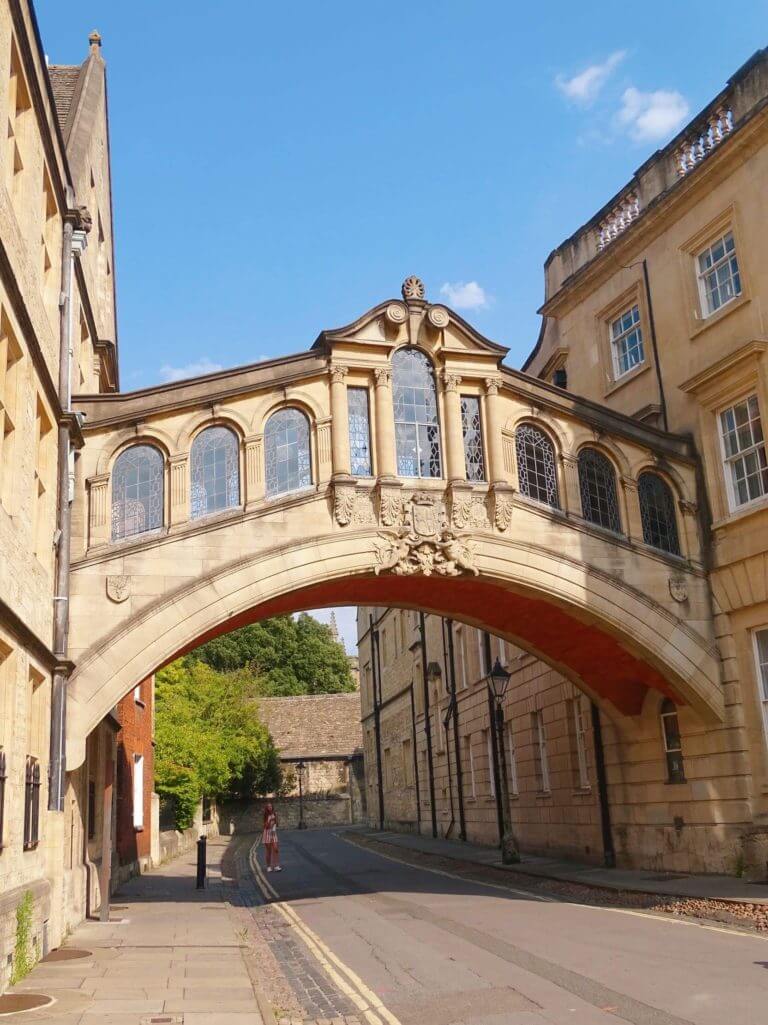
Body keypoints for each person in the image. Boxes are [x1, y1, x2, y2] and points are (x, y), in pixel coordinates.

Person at [262, 802, 281, 872]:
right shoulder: (265, 815)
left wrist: (276, 819)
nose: (270, 807)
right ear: (267, 808)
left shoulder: (275, 814)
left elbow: (277, 824)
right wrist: (270, 820)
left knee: (276, 849)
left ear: (272, 807)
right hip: (267, 833)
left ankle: (276, 866)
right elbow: (265, 826)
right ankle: (268, 866)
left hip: (273, 833)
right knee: (269, 851)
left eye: (271, 806)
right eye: (268, 807)